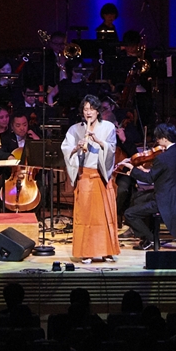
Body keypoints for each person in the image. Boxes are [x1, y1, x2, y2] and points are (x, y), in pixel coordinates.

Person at [61, 94, 119, 262]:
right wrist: (76, 147)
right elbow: (66, 148)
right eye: (86, 109)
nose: (88, 112)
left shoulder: (108, 127)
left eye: (92, 109)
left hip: (101, 176)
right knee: (85, 216)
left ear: (97, 111)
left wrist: (99, 142)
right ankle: (86, 251)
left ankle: (107, 250)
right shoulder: (75, 129)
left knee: (104, 216)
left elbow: (112, 149)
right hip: (85, 176)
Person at [122, 125, 176, 248]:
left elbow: (149, 179)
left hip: (163, 199)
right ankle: (147, 234)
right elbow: (165, 172)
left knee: (129, 214)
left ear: (165, 138)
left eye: (158, 138)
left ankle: (151, 239)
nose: (156, 141)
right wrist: (145, 170)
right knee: (137, 198)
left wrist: (133, 169)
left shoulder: (162, 158)